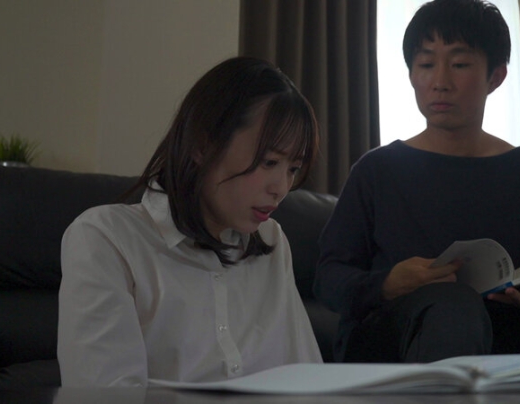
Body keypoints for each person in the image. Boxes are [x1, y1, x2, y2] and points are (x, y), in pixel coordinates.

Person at [313, 0, 520, 364]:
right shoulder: (376, 170)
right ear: (411, 74)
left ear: (495, 77)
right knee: (453, 305)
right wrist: (387, 283)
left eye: (459, 64)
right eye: (426, 65)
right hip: (397, 337)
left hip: (506, 329)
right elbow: (328, 279)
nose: (440, 83)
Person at [58, 56, 323, 387]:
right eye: (269, 162)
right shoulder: (106, 239)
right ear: (203, 144)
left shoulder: (271, 240)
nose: (281, 188)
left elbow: (307, 378)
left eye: (292, 169)